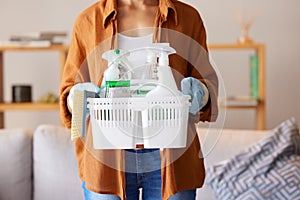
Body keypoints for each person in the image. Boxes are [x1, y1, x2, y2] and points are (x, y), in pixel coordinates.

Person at [60, 0, 218, 199]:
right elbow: (68, 92)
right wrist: (77, 97)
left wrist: (200, 93)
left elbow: (207, 82)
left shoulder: (186, 18)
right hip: (106, 160)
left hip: (172, 158)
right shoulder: (88, 21)